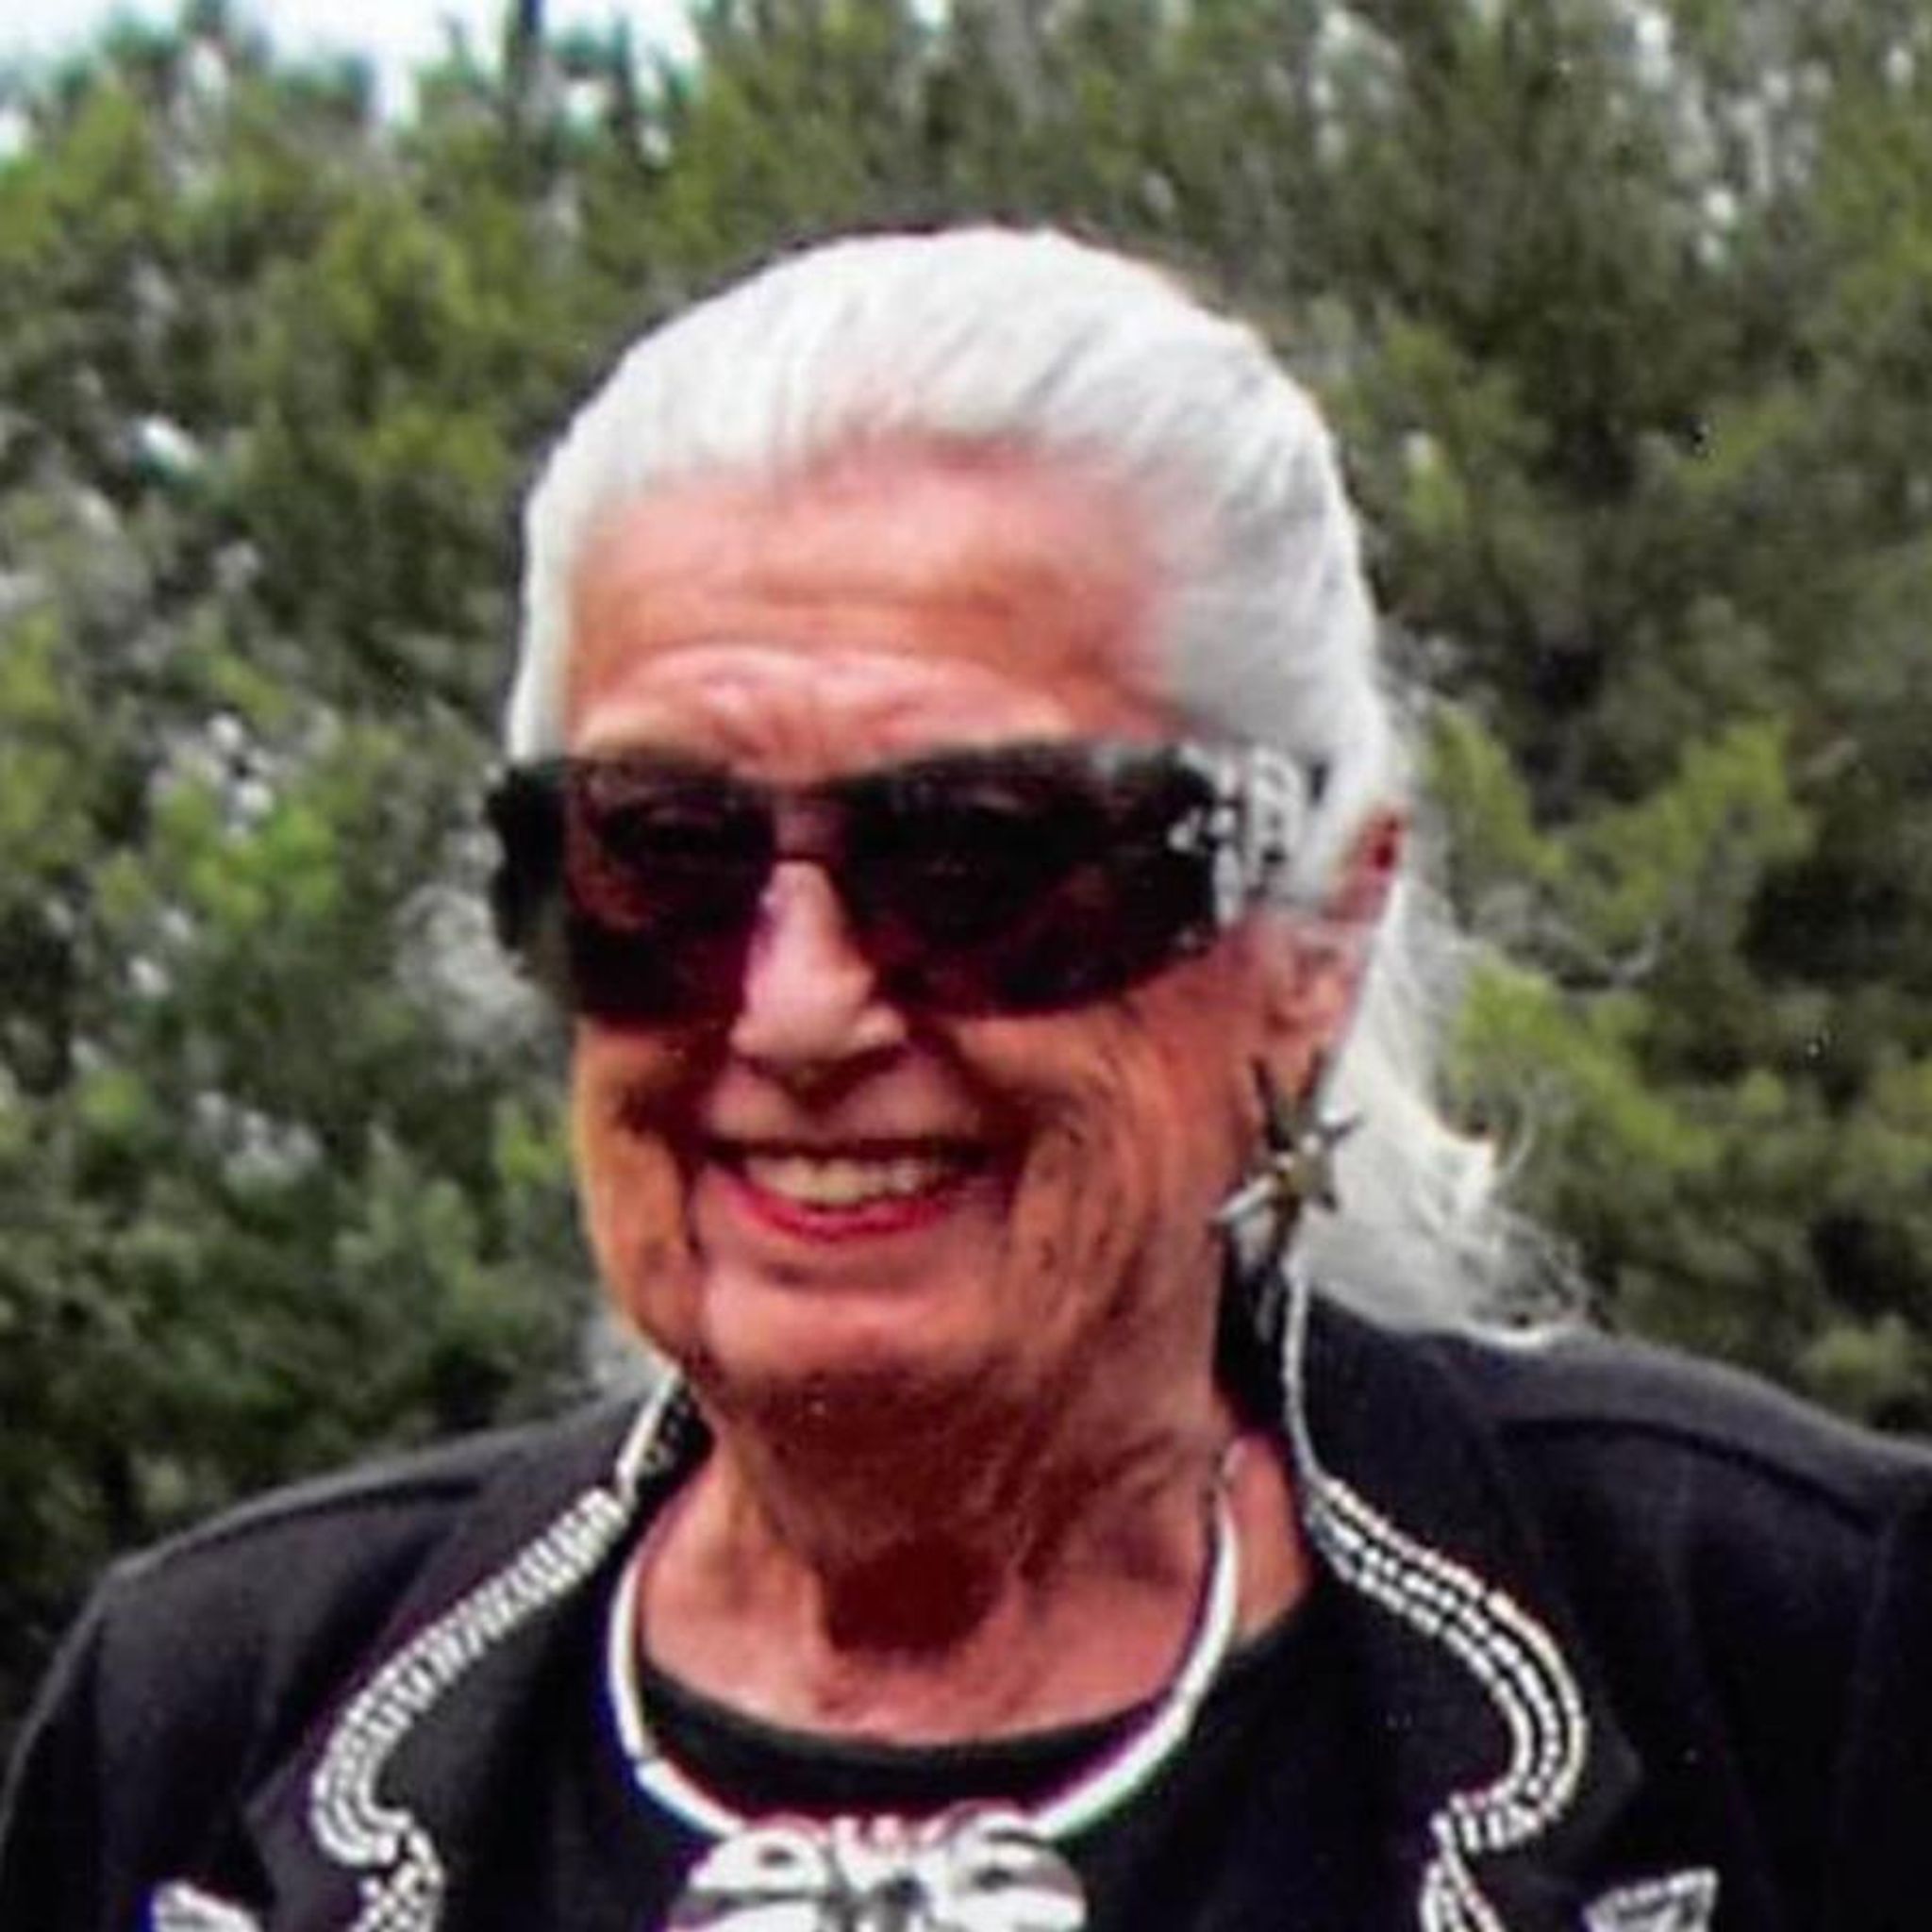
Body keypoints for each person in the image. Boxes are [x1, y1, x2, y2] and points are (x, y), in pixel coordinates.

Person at [3, 225, 1929, 1932]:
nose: (799, 1011)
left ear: (1314, 938)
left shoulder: (1785, 1655)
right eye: (663, 859)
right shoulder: (213, 1729)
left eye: (981, 863)